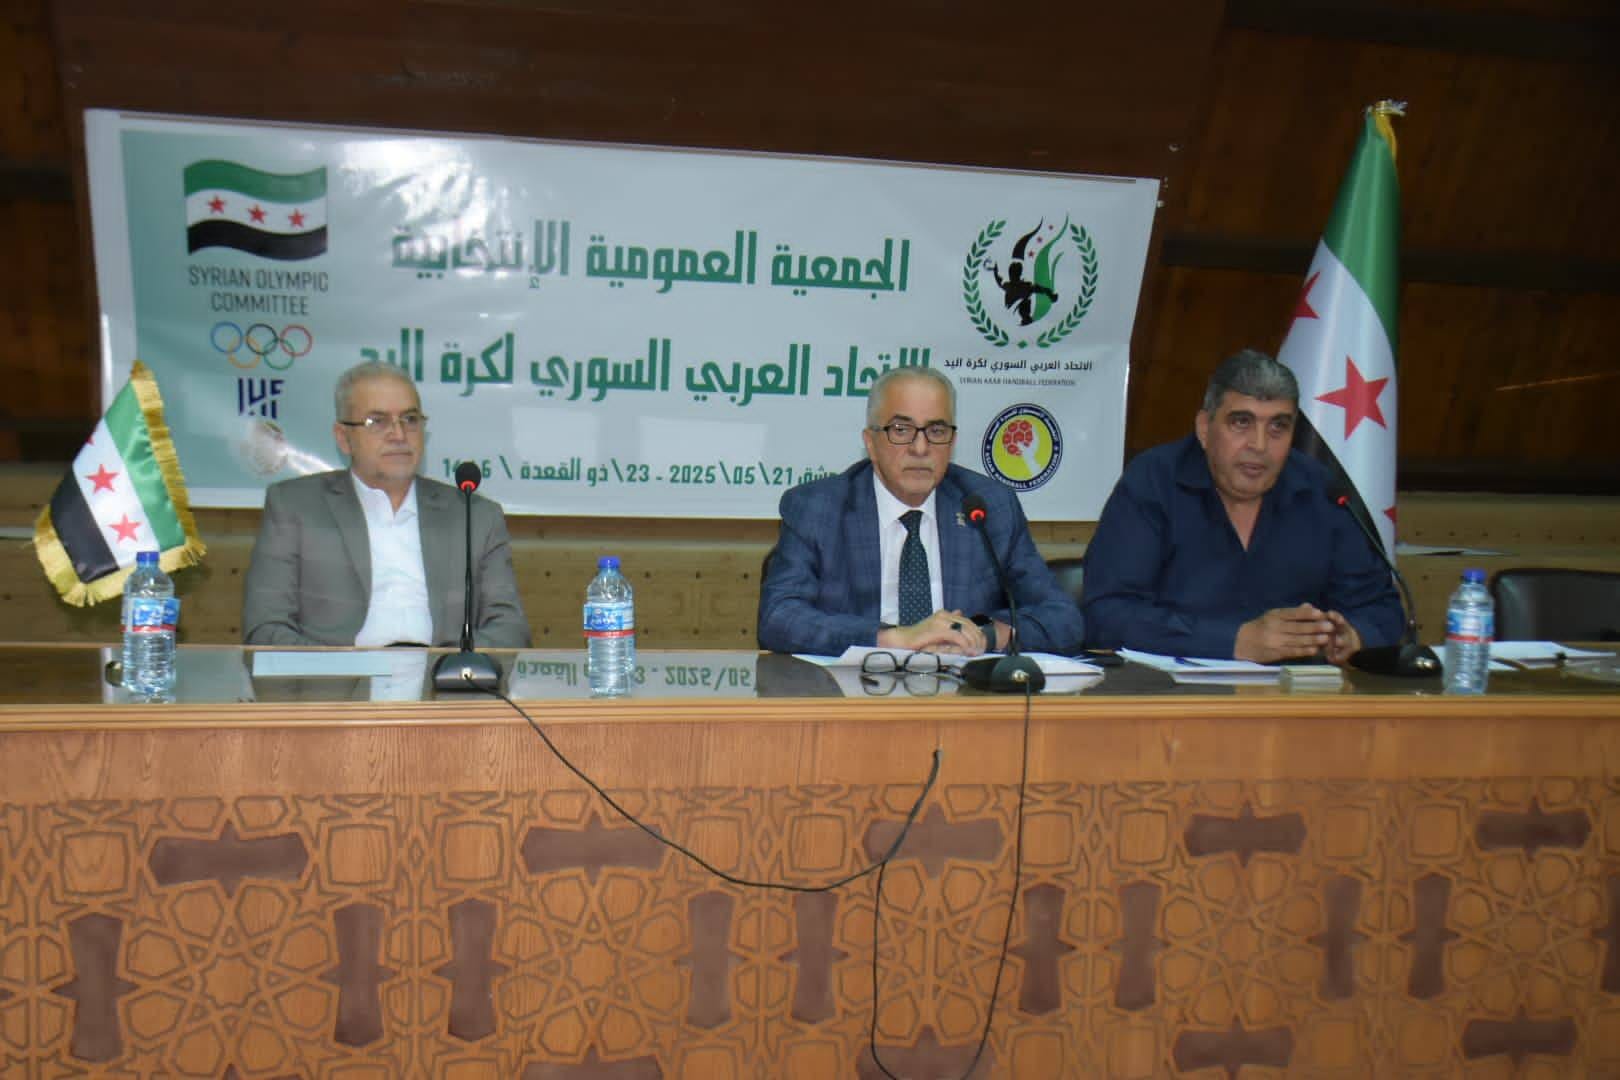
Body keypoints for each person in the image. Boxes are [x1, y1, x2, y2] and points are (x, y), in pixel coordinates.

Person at [1081, 349, 1402, 664]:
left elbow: (1382, 609)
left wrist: (1354, 636)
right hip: (1178, 692)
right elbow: (1107, 614)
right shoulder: (1154, 483)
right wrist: (1235, 641)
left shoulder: (1322, 491)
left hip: (1297, 692)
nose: (1259, 445)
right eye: (1241, 422)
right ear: (1204, 428)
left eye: (1278, 426)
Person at [757, 366, 1083, 657]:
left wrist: (983, 636)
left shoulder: (988, 506)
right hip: (855, 694)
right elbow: (779, 618)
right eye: (901, 430)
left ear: (952, 442)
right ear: (870, 442)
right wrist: (895, 638)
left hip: (963, 695)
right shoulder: (819, 508)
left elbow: (1064, 620)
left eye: (936, 431)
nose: (920, 448)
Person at [242, 361, 531, 647]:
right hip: (336, 675)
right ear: (344, 438)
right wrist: (337, 668)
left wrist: (453, 666)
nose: (399, 434)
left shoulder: (474, 516)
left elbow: (509, 629)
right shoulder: (294, 507)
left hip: (442, 674)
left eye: (410, 419)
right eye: (377, 421)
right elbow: (266, 628)